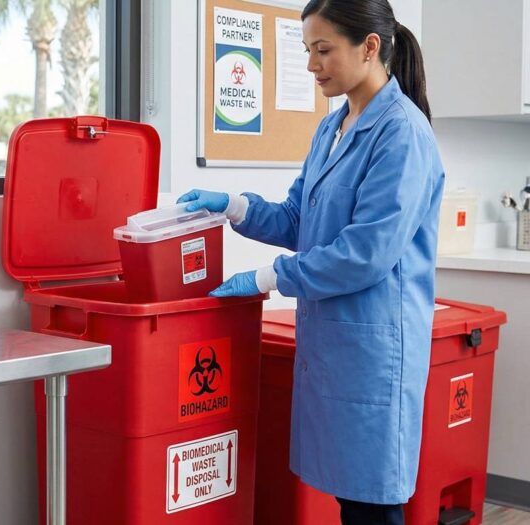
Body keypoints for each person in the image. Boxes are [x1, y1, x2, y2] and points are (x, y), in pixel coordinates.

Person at [177, 1, 444, 524]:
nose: (311, 64)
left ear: (369, 47)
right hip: (334, 344)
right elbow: (301, 218)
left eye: (324, 50)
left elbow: (365, 253)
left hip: (374, 351)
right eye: (307, 50)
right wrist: (234, 207)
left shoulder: (402, 134)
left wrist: (268, 277)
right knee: (352, 499)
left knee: (374, 504)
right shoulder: (333, 128)